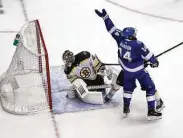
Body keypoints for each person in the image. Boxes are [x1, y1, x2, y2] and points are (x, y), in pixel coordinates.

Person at [95, 9, 163, 120]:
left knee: (128, 89)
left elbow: (111, 29)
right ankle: (151, 110)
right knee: (150, 87)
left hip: (126, 70)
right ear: (131, 36)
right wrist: (154, 62)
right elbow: (150, 57)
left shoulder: (120, 38)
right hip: (138, 71)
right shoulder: (138, 44)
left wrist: (106, 17)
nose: (136, 35)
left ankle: (126, 108)